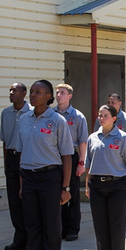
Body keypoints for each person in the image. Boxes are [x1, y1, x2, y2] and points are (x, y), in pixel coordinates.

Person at [16, 80, 73, 250]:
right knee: (33, 231)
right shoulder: (24, 120)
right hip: (29, 178)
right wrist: (22, 185)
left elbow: (67, 155)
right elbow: (21, 155)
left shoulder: (57, 121)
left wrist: (65, 186)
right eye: (32, 92)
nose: (33, 95)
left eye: (38, 92)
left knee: (51, 231)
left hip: (50, 177)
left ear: (49, 96)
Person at [85, 105, 126, 250]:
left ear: (114, 118)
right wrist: (87, 185)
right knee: (100, 226)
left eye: (106, 115)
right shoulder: (93, 138)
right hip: (97, 187)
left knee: (116, 226)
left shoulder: (123, 138)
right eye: (100, 115)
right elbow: (89, 166)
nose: (102, 118)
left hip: (117, 186)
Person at [55, 84, 88, 241]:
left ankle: (73, 229)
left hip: (72, 157)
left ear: (69, 96)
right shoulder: (51, 114)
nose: (59, 95)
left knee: (72, 194)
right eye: (57, 92)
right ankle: (60, 227)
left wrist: (82, 162)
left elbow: (83, 142)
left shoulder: (77, 116)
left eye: (62, 92)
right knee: (56, 194)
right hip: (54, 157)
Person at [1, 82, 32, 250]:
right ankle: (19, 237)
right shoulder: (6, 113)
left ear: (24, 93)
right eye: (10, 90)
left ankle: (30, 238)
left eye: (15, 90)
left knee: (26, 199)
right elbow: (5, 141)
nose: (11, 93)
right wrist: (6, 162)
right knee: (14, 200)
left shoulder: (31, 114)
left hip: (26, 157)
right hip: (11, 158)